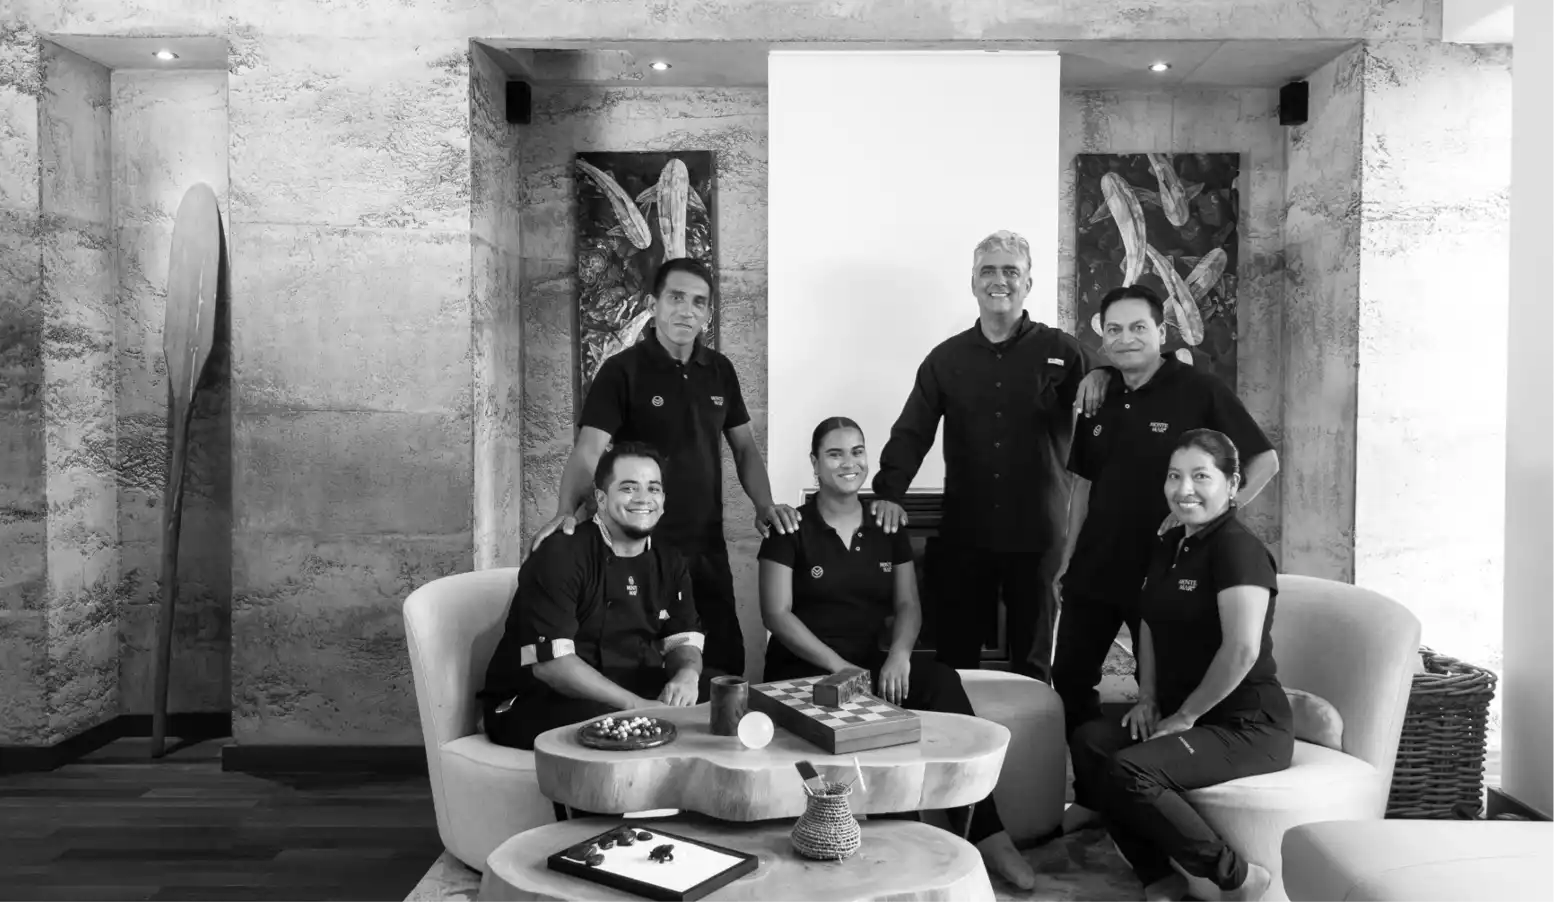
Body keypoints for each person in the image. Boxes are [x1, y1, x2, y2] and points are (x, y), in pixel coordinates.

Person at [759, 416, 1037, 890]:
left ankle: (987, 831)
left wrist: (900, 655)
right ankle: (900, 840)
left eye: (857, 452)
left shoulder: (886, 523)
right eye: (835, 454)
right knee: (876, 724)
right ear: (814, 464)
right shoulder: (791, 526)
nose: (849, 463)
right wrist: (838, 667)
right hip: (805, 673)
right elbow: (777, 615)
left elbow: (908, 603)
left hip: (868, 666)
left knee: (941, 681)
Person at [1053, 284, 1279, 792]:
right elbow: (1083, 487)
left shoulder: (1199, 390)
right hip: (1095, 564)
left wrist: (1217, 517)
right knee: (1068, 679)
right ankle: (1093, 795)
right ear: (1103, 339)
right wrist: (1067, 557)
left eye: (1138, 328)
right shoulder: (1099, 392)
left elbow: (1265, 460)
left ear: (1161, 332)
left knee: (1154, 690)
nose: (1126, 338)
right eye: (1114, 330)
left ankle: (1152, 790)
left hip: (1164, 568)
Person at [530, 257, 799, 679]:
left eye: (699, 302)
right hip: (640, 549)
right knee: (650, 665)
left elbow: (745, 448)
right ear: (654, 304)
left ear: (708, 313)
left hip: (706, 547)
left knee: (722, 665)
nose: (686, 310)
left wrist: (764, 506)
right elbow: (587, 451)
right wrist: (567, 511)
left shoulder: (720, 371)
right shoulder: (622, 371)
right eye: (676, 298)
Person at [871, 230, 1108, 682]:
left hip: (1040, 532)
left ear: (1028, 284)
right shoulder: (946, 359)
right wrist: (889, 491)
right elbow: (912, 430)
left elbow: (1113, 391)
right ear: (974, 282)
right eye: (989, 271)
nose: (999, 280)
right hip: (967, 533)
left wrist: (1106, 375)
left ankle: (1032, 750)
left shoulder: (1064, 351)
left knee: (1034, 662)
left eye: (1011, 271)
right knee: (955, 657)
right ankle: (959, 745)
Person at [1068, 429, 1293, 902]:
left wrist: (1185, 716)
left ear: (1232, 485)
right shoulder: (1171, 543)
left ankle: (1238, 878)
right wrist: (1148, 698)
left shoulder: (1238, 549)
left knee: (1131, 770)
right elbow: (1148, 620)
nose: (1183, 488)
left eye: (1200, 476)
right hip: (1183, 712)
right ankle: (1158, 876)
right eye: (1175, 476)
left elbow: (1242, 651)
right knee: (1090, 742)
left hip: (1245, 726)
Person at [480, 442, 711, 751]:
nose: (644, 499)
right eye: (629, 488)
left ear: (664, 500)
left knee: (726, 694)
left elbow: (683, 639)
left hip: (627, 685)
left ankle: (692, 795)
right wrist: (637, 706)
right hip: (538, 697)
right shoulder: (561, 554)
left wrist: (687, 675)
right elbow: (551, 665)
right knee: (611, 723)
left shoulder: (669, 561)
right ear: (601, 499)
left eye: (653, 489)